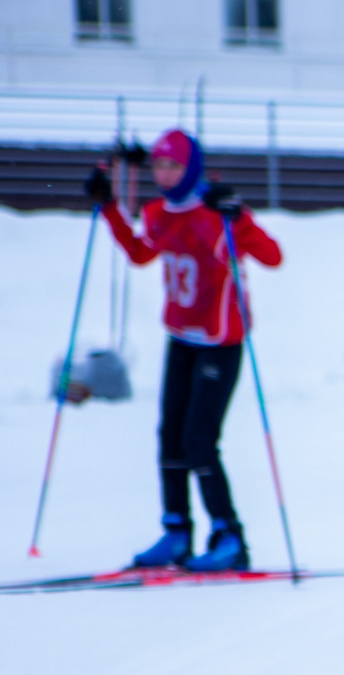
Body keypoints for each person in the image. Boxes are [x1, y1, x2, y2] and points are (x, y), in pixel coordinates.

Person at [87, 129, 283, 572]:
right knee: (169, 435)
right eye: (158, 165)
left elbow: (273, 257)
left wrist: (241, 218)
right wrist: (110, 209)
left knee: (200, 439)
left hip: (221, 342)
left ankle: (229, 537)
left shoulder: (215, 214)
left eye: (173, 165)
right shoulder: (158, 213)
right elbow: (139, 253)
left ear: (190, 168)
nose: (163, 173)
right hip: (181, 338)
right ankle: (177, 531)